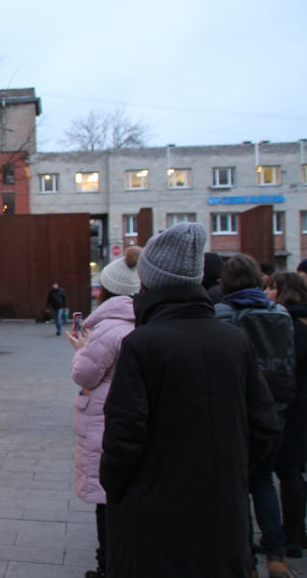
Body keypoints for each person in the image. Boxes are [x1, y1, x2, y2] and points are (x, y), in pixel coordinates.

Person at [100, 223, 279, 577]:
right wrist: (231, 473)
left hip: (153, 517)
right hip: (223, 514)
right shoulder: (235, 340)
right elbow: (264, 422)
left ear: (148, 281)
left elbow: (124, 437)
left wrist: (118, 490)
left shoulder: (142, 344)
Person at [216, 254, 296, 578]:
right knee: (264, 481)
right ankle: (276, 555)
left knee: (236, 484)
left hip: (235, 410)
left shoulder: (220, 313)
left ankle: (246, 560)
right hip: (275, 407)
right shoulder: (280, 313)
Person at [66, 246, 142, 578]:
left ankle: (107, 565)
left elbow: (84, 374)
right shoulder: (142, 321)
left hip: (105, 420)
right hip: (130, 419)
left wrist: (81, 349)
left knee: (106, 498)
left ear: (106, 291)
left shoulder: (110, 327)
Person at [269, 272, 307, 559]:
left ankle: (292, 536)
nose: (267, 292)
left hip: (294, 405)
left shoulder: (291, 325)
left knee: (289, 469)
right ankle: (298, 533)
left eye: (271, 287)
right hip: (301, 403)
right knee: (294, 469)